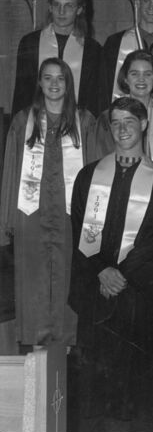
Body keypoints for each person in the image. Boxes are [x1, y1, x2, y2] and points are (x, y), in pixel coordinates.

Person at [69, 97, 153, 432]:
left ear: (143, 124)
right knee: (96, 389)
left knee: (139, 390)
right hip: (97, 289)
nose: (123, 128)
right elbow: (79, 230)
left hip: (138, 294)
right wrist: (101, 270)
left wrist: (122, 274)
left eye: (130, 121)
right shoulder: (89, 176)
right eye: (116, 122)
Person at [0, 58, 97, 348]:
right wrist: (8, 219)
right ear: (39, 83)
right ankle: (36, 344)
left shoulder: (85, 121)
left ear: (69, 83)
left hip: (71, 217)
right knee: (34, 280)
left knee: (69, 276)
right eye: (48, 77)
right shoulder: (22, 121)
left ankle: (68, 349)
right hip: (30, 215)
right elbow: (11, 170)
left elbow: (95, 172)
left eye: (60, 78)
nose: (54, 84)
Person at [12, 0, 103, 117]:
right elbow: (22, 93)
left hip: (77, 122)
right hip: (37, 121)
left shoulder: (92, 49)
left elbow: (93, 99)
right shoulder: (30, 43)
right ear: (50, 7)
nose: (61, 11)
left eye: (68, 6)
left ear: (79, 9)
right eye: (56, 5)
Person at [94, 50, 153, 179]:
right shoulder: (107, 119)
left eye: (147, 74)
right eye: (134, 74)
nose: (141, 79)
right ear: (125, 79)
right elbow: (103, 161)